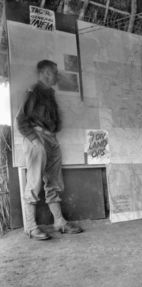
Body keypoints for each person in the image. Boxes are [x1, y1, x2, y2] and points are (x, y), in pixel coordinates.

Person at [16, 60, 82, 240]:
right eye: (54, 73)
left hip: (51, 138)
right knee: (34, 182)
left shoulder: (49, 93)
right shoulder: (34, 92)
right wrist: (35, 140)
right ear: (45, 73)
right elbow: (21, 120)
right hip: (37, 138)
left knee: (53, 182)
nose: (56, 76)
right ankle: (30, 226)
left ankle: (59, 222)